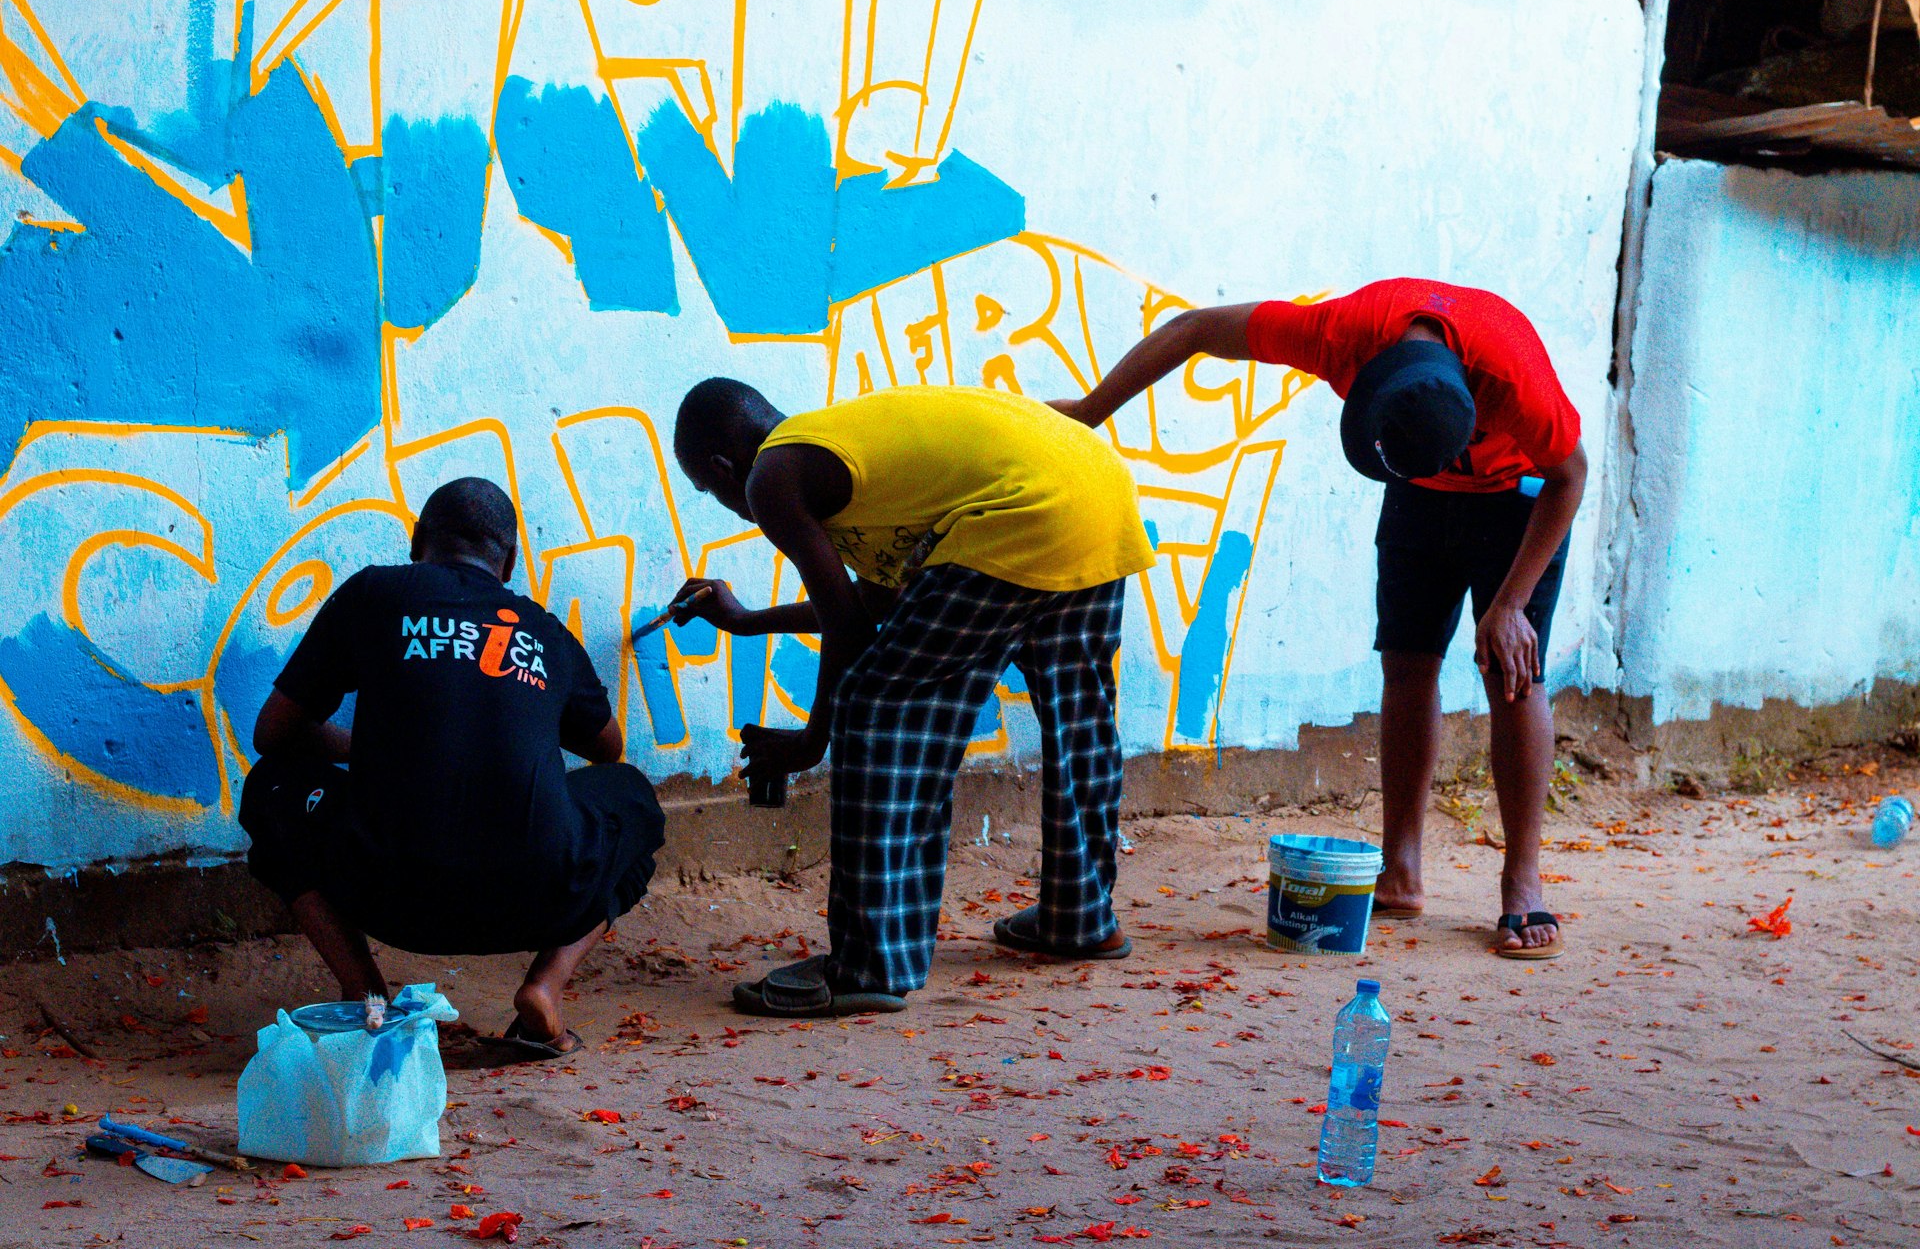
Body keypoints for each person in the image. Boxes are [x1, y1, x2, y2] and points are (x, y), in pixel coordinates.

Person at [1052, 279, 1584, 960]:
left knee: (1513, 673)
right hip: (1417, 493)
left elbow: (1571, 472)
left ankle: (1522, 884)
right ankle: (1401, 872)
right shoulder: (1338, 335)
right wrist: (1091, 412)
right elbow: (1190, 330)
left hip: (1521, 498)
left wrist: (1511, 605)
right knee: (1407, 660)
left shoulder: (1512, 375)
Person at [670, 380, 1156, 1016]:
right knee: (1078, 714)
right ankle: (1082, 916)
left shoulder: (773, 476)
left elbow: (852, 633)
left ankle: (867, 966)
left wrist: (811, 740)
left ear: (721, 467)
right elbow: (874, 606)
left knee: (878, 710)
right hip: (1097, 495)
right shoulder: (854, 456)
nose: (729, 507)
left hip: (1021, 515)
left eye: (709, 491)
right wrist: (751, 619)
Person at [239, 477, 667, 1054]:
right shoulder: (543, 630)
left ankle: (367, 995)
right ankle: (545, 988)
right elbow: (607, 749)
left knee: (272, 788)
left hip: (386, 892)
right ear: (510, 561)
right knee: (632, 797)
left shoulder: (373, 595)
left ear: (418, 541)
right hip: (537, 896)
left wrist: (373, 750)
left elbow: (274, 735)